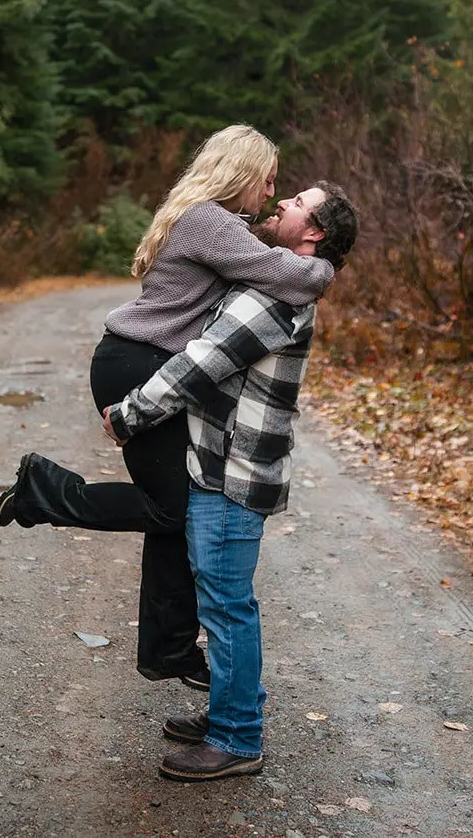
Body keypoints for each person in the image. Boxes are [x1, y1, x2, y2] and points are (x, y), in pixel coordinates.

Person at [0, 126, 334, 690]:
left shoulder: (215, 220)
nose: (272, 193)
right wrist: (325, 268)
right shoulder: (210, 221)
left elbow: (265, 260)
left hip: (141, 360)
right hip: (138, 363)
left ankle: (167, 649)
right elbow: (287, 275)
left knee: (178, 507)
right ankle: (41, 492)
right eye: (269, 180)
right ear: (242, 172)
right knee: (174, 509)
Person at [105, 183, 359, 782]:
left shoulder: (277, 297)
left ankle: (238, 738)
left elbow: (201, 363)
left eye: (296, 203)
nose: (281, 204)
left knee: (226, 607)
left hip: (232, 474)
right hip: (227, 466)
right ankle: (229, 712)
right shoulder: (281, 280)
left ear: (314, 232)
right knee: (221, 601)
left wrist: (130, 413)